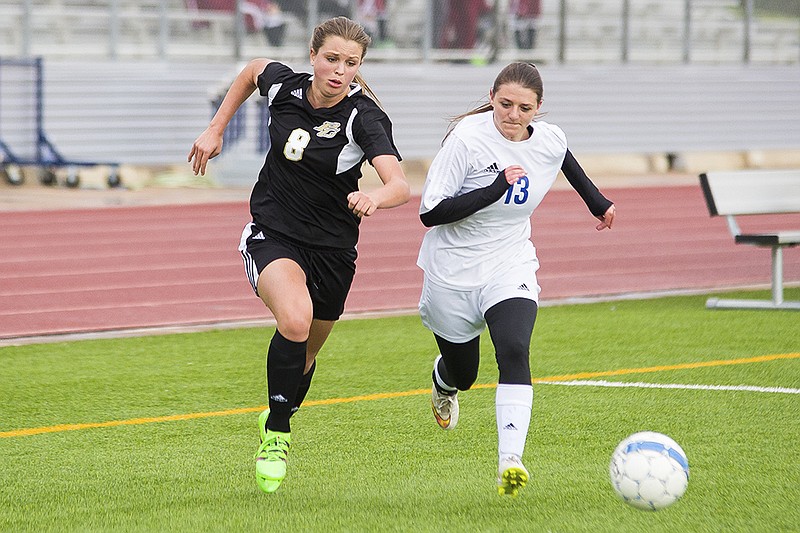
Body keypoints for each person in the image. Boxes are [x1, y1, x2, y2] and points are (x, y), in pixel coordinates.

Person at [188, 16, 410, 494]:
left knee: (305, 355)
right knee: (295, 320)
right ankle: (277, 436)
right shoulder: (285, 86)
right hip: (274, 234)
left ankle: (278, 413)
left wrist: (376, 197)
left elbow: (400, 184)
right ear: (313, 57)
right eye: (332, 59)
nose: (339, 71)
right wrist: (215, 129)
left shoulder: (362, 117)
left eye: (351, 64)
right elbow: (252, 69)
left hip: (333, 250)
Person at [416, 62, 615, 497]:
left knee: (514, 348)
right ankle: (444, 380)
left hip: (510, 261)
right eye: (505, 104)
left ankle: (511, 459)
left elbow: (564, 161)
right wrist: (495, 188)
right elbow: (430, 212)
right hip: (453, 270)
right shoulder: (466, 140)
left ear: (538, 108)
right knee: (464, 374)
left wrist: (598, 204)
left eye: (525, 108)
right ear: (491, 97)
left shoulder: (549, 137)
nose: (513, 114)